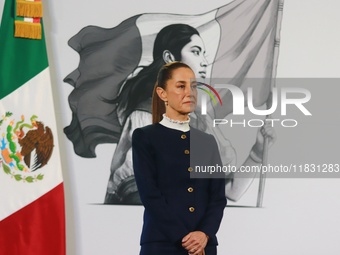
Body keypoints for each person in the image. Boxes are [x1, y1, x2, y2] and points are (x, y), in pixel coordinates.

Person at [132, 62, 226, 255]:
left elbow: (217, 198)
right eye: (181, 86)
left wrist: (203, 234)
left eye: (193, 86)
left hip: (204, 246)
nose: (189, 92)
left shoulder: (207, 141)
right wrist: (186, 239)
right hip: (162, 244)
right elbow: (150, 194)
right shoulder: (145, 137)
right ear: (162, 93)